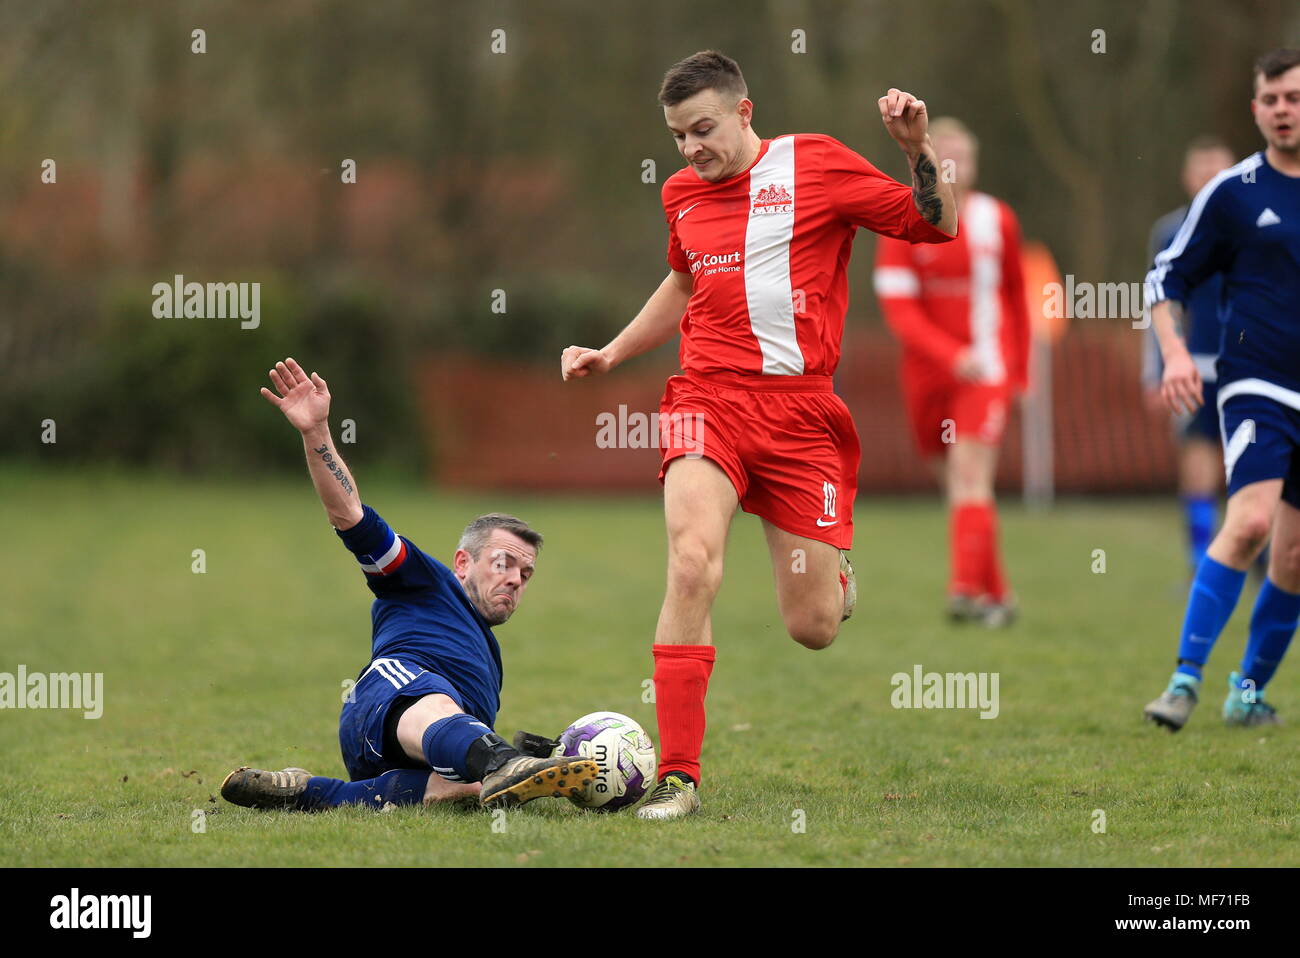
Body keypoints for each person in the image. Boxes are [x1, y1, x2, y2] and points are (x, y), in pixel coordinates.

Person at [560, 50, 957, 820]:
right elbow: (684, 279)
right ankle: (678, 776)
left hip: (802, 416)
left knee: (811, 629)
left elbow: (930, 226)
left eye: (702, 129)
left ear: (744, 112)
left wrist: (919, 153)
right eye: (677, 136)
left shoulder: (817, 165)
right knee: (692, 562)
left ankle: (834, 580)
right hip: (705, 400)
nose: (689, 150)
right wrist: (614, 348)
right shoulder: (680, 194)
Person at [221, 357, 597, 811]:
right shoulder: (423, 580)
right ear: (463, 562)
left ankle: (309, 793)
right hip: (386, 701)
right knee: (441, 706)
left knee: (477, 793)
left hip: (415, 757)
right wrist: (315, 433)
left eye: (526, 573)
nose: (515, 579)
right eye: (504, 563)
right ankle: (498, 758)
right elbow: (351, 518)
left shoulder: (488, 661)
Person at [1142, 49, 1300, 731]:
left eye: (1293, 97)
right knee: (1254, 523)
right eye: (1270, 100)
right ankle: (1183, 680)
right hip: (1255, 381)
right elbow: (1164, 278)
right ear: (1256, 109)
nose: (1283, 110)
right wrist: (1174, 353)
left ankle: (1248, 691)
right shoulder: (1235, 192)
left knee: (1294, 556)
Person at [873, 117, 1030, 626]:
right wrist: (947, 355)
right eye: (947, 156)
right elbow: (899, 309)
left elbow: (1017, 299)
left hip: (985, 370)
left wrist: (1020, 372)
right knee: (959, 487)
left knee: (969, 476)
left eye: (966, 155)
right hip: (927, 378)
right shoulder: (904, 217)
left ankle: (963, 588)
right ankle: (998, 597)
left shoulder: (996, 218)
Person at [1141, 137, 1236, 573]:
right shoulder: (1169, 231)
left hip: (1253, 366)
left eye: (1218, 170)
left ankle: (1258, 558)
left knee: (1254, 462)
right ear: (1187, 177)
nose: (1209, 178)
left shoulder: (1257, 224)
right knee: (1198, 459)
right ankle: (1201, 562)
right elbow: (1159, 302)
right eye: (1201, 170)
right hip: (1192, 366)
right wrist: (1155, 371)